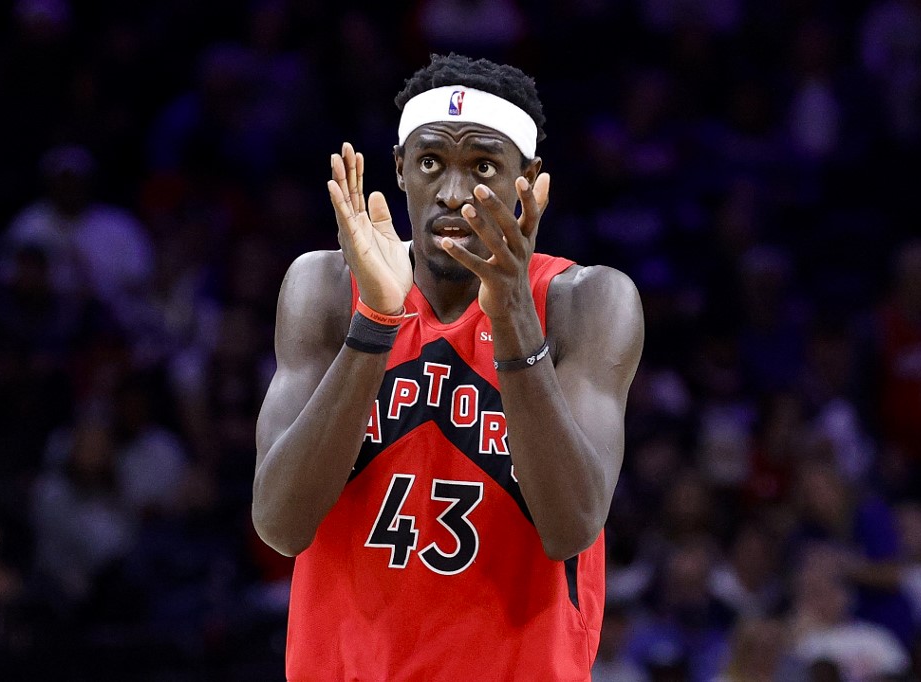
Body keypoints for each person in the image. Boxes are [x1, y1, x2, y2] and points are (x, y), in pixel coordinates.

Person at [252, 53, 644, 680]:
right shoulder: (325, 286)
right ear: (400, 170)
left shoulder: (586, 303)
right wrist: (377, 322)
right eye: (431, 162)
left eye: (483, 166)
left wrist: (514, 315)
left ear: (530, 180)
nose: (455, 193)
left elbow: (570, 526)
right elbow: (279, 522)